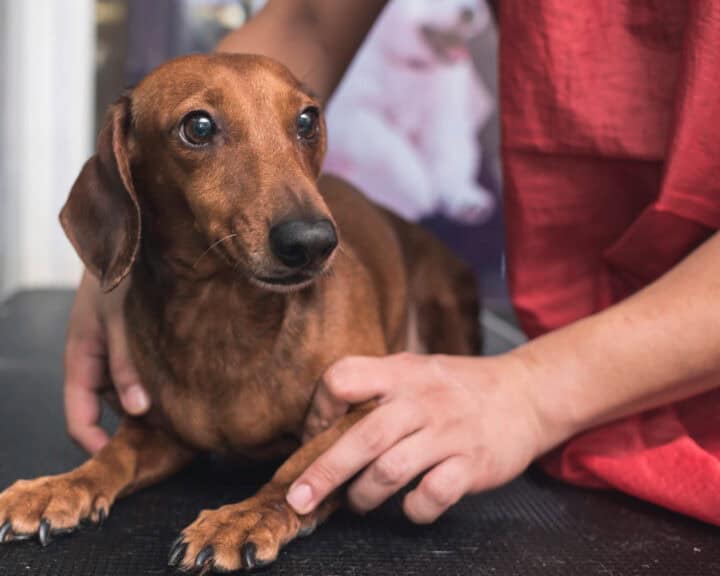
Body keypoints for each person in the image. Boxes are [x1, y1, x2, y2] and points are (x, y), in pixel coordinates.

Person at [64, 0, 720, 526]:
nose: (312, 229)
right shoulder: (136, 197)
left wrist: (530, 393)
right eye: (199, 129)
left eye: (303, 123)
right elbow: (312, 18)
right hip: (566, 393)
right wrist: (116, 248)